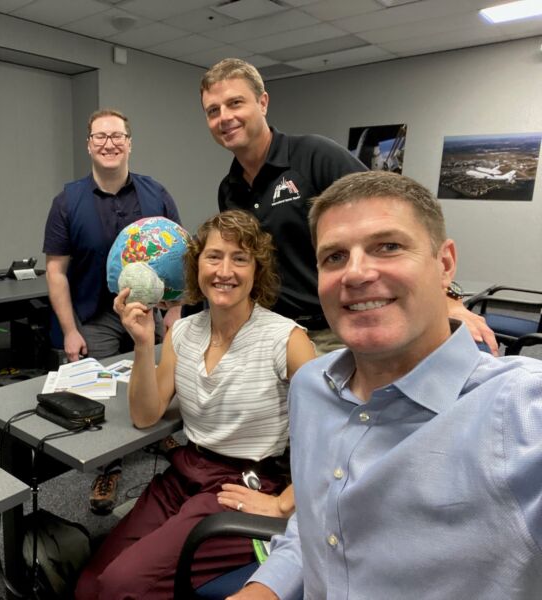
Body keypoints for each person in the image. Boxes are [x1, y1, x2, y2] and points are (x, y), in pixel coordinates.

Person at [230, 171, 542, 600]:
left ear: (444, 264)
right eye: (334, 257)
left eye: (388, 247)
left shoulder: (521, 410)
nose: (355, 274)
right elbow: (320, 525)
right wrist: (263, 590)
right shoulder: (309, 388)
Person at [75, 210, 316, 599]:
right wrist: (140, 342)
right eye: (214, 256)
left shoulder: (285, 339)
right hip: (185, 472)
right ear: (196, 266)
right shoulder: (183, 332)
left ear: (258, 271)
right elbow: (145, 414)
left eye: (240, 258)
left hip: (241, 484)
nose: (225, 270)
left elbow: (333, 431)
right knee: (88, 585)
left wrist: (286, 504)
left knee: (123, 586)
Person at [199, 57, 498, 355]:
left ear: (262, 103)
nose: (224, 117)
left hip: (335, 329)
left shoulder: (314, 156)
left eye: (235, 103)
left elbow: (398, 218)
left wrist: (447, 298)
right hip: (273, 332)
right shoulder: (229, 189)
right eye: (213, 110)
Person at [43, 108, 182, 514]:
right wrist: (69, 330)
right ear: (89, 144)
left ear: (129, 143)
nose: (110, 143)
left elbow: (178, 257)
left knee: (156, 380)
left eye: (117, 136)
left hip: (148, 313)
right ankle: (110, 466)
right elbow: (56, 271)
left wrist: (175, 310)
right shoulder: (68, 200)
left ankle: (159, 437)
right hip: (95, 314)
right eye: (101, 137)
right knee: (101, 396)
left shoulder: (156, 194)